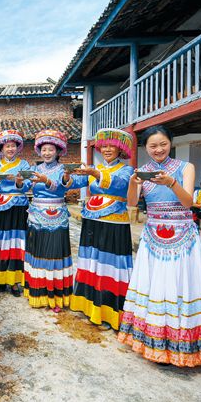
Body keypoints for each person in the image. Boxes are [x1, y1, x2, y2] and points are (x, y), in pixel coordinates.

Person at [118, 125, 201, 367]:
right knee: (154, 287)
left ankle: (184, 345)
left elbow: (188, 203)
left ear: (170, 143)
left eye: (163, 144)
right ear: (146, 148)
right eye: (153, 146)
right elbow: (131, 203)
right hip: (153, 236)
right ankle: (153, 342)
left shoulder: (186, 167)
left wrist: (171, 182)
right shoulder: (143, 172)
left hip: (183, 236)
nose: (158, 150)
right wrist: (133, 183)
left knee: (181, 286)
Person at [70, 128, 135, 329]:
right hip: (92, 219)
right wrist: (66, 176)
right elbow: (76, 181)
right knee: (91, 260)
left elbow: (120, 185)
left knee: (109, 265)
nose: (107, 149)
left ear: (120, 149)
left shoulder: (126, 170)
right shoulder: (94, 168)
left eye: (111, 146)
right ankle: (88, 304)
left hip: (113, 223)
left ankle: (109, 311)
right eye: (104, 146)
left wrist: (96, 173)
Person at [23, 130, 77, 312]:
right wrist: (20, 182)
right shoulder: (36, 169)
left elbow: (62, 187)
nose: (47, 153)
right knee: (37, 250)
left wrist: (47, 181)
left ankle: (56, 296)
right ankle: (36, 291)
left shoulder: (63, 170)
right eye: (44, 149)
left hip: (57, 215)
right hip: (37, 214)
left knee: (54, 251)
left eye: (51, 150)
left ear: (58, 151)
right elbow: (25, 187)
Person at [0, 129, 32, 296]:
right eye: (7, 146)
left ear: (17, 148)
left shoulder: (24, 164)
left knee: (16, 242)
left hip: (18, 207)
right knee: (1, 241)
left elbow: (28, 184)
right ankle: (0, 278)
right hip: (1, 206)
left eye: (13, 146)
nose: (10, 149)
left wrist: (19, 182)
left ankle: (14, 281)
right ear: (2, 149)